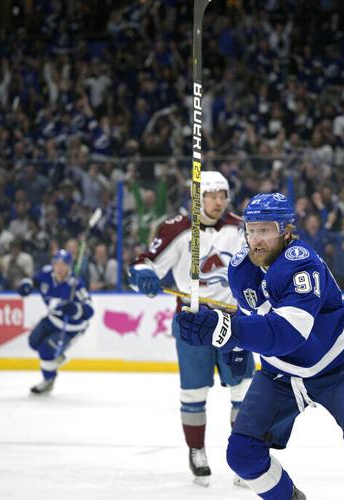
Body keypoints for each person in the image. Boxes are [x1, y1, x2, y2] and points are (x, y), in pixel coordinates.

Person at [176, 193, 344, 500]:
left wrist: (225, 329)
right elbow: (252, 317)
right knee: (243, 454)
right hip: (281, 373)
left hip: (338, 365)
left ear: (286, 231)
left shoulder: (301, 265)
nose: (256, 239)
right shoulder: (241, 269)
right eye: (251, 229)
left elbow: (289, 333)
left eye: (265, 230)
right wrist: (234, 345)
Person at [127, 171, 253, 487]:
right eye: (211, 195)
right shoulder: (177, 229)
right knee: (194, 392)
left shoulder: (240, 228)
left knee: (245, 391)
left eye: (222, 195)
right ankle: (196, 450)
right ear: (197, 197)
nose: (218, 201)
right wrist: (143, 275)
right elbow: (144, 263)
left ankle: (244, 457)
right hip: (193, 322)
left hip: (234, 322)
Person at [16, 249, 93, 394]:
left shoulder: (76, 285)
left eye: (63, 264)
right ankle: (56, 357)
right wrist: (26, 286)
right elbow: (34, 280)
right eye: (57, 263)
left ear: (69, 266)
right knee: (33, 342)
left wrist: (75, 309)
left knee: (46, 350)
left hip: (71, 327)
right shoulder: (46, 274)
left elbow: (90, 310)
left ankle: (48, 380)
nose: (59, 268)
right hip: (52, 319)